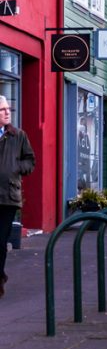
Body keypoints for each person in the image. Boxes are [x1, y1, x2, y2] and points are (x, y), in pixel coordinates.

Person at [0, 96, 33, 297]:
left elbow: (30, 160)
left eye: (7, 108)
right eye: (1, 109)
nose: (6, 112)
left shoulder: (18, 135)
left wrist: (15, 168)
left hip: (7, 197)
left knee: (0, 241)